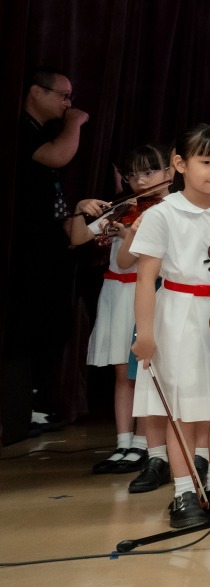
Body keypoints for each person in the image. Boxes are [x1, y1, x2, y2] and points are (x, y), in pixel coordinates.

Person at [129, 124, 210, 528]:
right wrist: (145, 333)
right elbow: (145, 279)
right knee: (183, 409)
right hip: (179, 314)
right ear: (180, 164)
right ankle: (184, 491)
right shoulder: (162, 213)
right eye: (206, 161)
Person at [9, 66, 104, 437]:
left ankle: (31, 403)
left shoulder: (41, 129)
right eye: (63, 95)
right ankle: (18, 412)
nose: (68, 103)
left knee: (49, 327)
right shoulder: (23, 129)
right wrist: (75, 122)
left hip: (49, 247)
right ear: (37, 91)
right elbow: (56, 157)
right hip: (27, 250)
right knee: (25, 327)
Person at [87, 144, 171, 476]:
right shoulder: (125, 209)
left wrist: (129, 235)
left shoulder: (172, 210)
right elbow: (80, 237)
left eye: (150, 172)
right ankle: (123, 443)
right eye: (134, 175)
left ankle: (141, 443)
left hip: (152, 293)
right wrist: (82, 209)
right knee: (124, 371)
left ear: (170, 171)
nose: (142, 181)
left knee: (145, 370)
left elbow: (135, 260)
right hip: (119, 293)